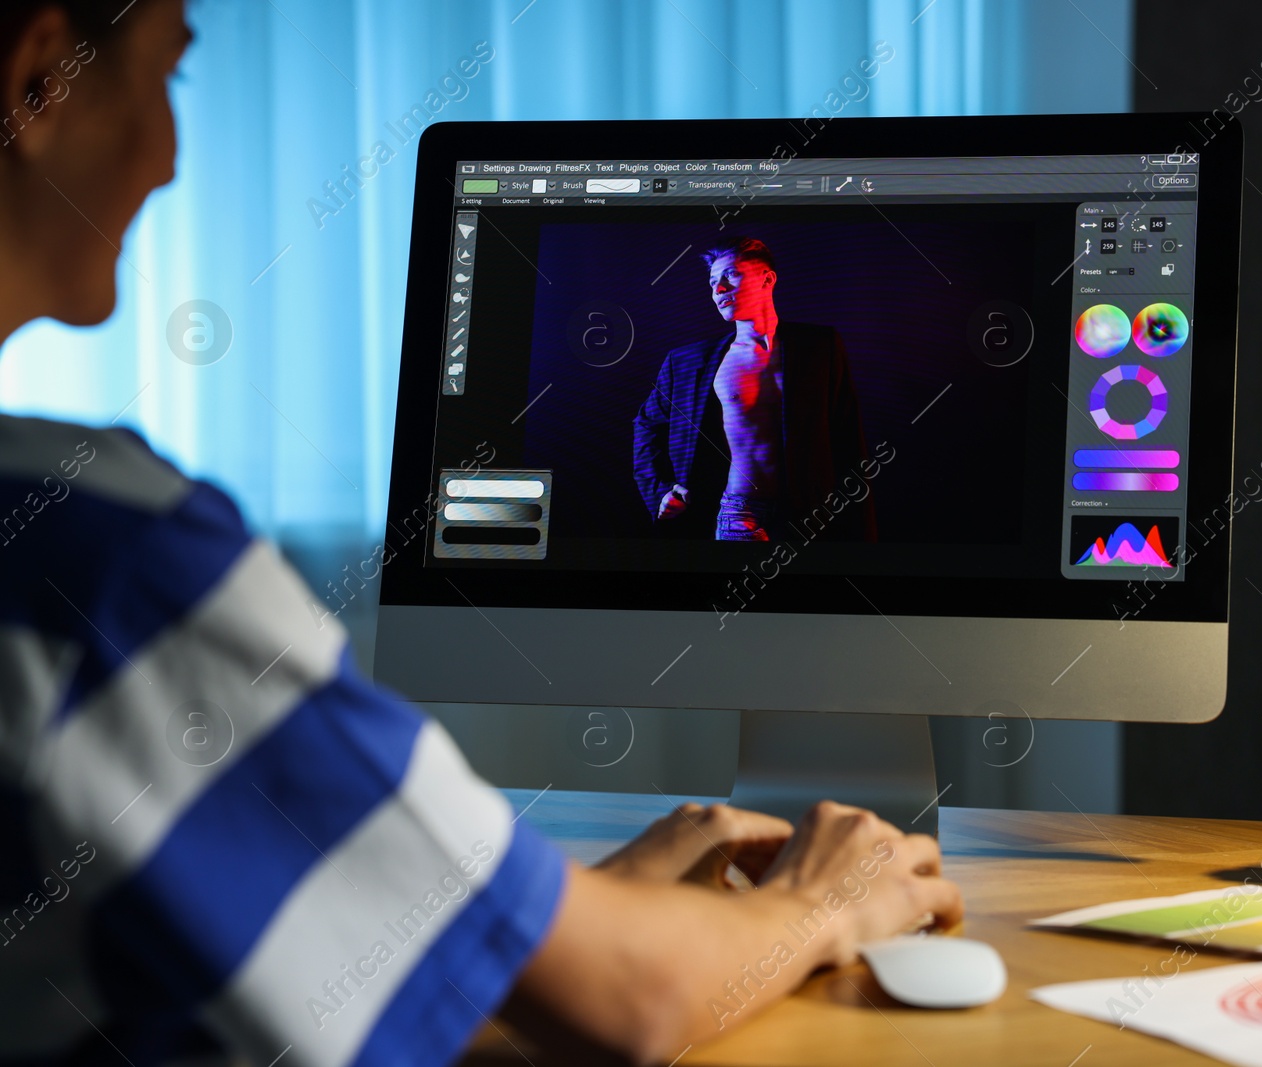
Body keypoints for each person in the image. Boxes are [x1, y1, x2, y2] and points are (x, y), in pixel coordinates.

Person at [0, 4, 959, 1065]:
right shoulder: (98, 555)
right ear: (42, 77)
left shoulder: (815, 352)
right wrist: (822, 901)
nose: (173, 161)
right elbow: (630, 1006)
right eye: (169, 81)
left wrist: (524, 907)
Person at [632, 236, 878, 542]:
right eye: (712, 282)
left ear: (767, 278)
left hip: (812, 514)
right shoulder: (688, 362)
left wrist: (863, 533)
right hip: (739, 514)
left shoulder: (818, 346)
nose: (718, 289)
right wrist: (658, 490)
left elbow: (848, 438)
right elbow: (646, 424)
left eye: (731, 275)